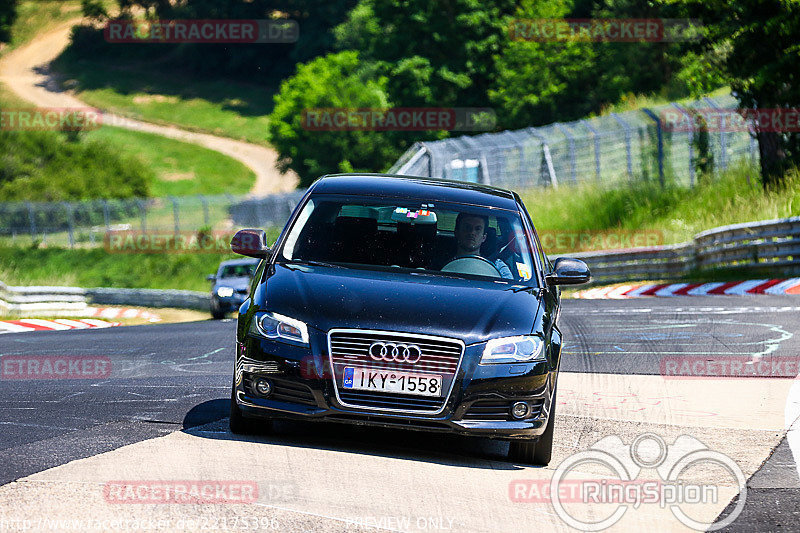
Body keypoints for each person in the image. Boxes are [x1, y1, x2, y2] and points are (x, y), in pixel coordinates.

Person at [449, 213, 514, 279]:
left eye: (477, 229)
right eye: (467, 227)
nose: (472, 232)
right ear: (456, 232)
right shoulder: (440, 264)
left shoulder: (498, 267)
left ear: (484, 237)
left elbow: (508, 287)